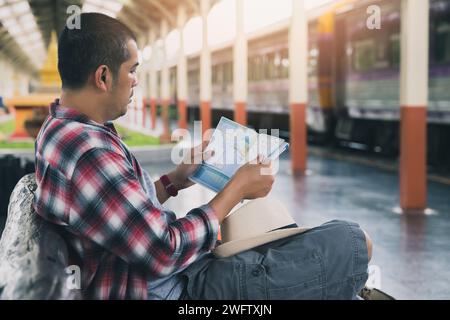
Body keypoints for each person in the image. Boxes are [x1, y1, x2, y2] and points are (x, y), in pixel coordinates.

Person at [34, 13, 372, 300]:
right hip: (179, 288)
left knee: (314, 241)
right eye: (132, 70)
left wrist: (175, 179)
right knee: (353, 242)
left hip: (167, 273)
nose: (137, 81)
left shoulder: (62, 130)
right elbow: (163, 252)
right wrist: (235, 190)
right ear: (104, 76)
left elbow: (115, 211)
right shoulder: (91, 151)